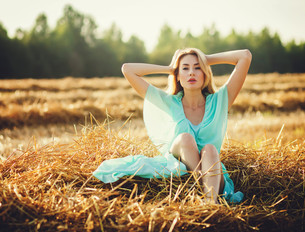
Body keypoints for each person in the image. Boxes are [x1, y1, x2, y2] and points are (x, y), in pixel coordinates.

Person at [93, 48, 252, 204]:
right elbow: (128, 69)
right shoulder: (169, 102)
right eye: (185, 68)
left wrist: (205, 59)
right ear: (177, 76)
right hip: (179, 164)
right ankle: (199, 186)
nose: (191, 73)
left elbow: (244, 56)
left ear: (205, 73)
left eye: (197, 68)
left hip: (213, 172)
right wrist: (171, 68)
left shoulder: (220, 101)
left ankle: (210, 203)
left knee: (209, 149)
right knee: (185, 139)